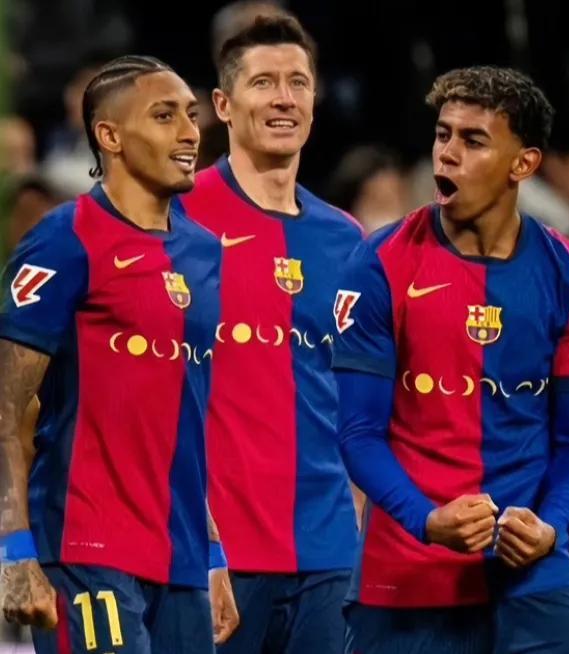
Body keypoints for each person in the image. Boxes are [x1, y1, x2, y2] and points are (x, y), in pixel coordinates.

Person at [332, 66, 569, 654]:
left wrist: (550, 525)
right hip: (409, 570)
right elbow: (358, 434)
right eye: (443, 134)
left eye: (473, 140)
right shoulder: (379, 264)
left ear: (523, 164)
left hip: (532, 574)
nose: (448, 153)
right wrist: (426, 520)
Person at [0, 55, 237, 653]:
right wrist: (14, 549)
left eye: (191, 115)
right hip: (85, 546)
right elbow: (4, 407)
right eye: (164, 116)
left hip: (181, 556)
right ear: (109, 136)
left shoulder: (205, 252)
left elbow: (184, 417)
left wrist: (212, 554)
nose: (189, 133)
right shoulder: (64, 239)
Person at [178, 14, 362, 654]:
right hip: (215, 553)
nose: (284, 98)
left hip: (331, 554)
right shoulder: (178, 219)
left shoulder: (346, 239)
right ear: (223, 105)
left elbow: (358, 395)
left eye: (297, 82)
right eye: (263, 83)